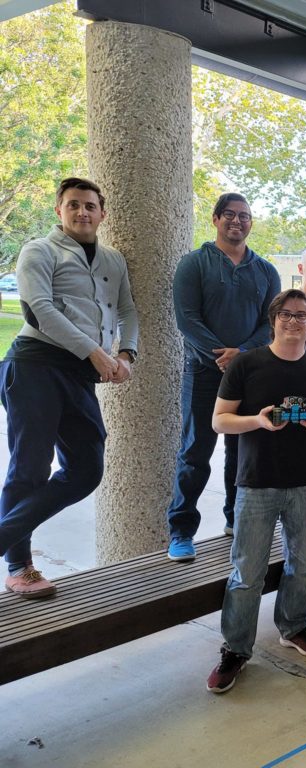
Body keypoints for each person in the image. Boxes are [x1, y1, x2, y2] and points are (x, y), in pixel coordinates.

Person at [0, 177, 138, 598]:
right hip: (34, 365)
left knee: (86, 469)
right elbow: (38, 309)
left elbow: (128, 310)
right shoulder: (39, 250)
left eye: (90, 206)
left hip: (77, 373)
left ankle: (4, 535)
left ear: (102, 214)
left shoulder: (113, 260)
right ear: (58, 211)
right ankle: (18, 565)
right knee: (30, 468)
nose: (82, 212)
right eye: (73, 205)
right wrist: (97, 353)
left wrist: (126, 354)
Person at [205, 289, 306, 694]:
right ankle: (235, 648)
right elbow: (220, 421)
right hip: (256, 482)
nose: (295, 321)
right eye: (287, 314)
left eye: (303, 316)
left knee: (301, 564)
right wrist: (258, 421)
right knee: (247, 573)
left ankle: (294, 626)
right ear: (274, 319)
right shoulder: (247, 364)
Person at [166, 193, 280, 561]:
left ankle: (236, 519)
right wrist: (221, 357)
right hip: (202, 374)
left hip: (248, 377)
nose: (237, 221)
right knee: (195, 452)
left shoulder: (265, 271)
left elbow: (270, 323)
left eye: (244, 216)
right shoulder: (193, 264)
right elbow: (187, 320)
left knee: (241, 451)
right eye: (229, 214)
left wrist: (243, 355)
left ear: (251, 222)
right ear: (215, 219)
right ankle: (182, 530)